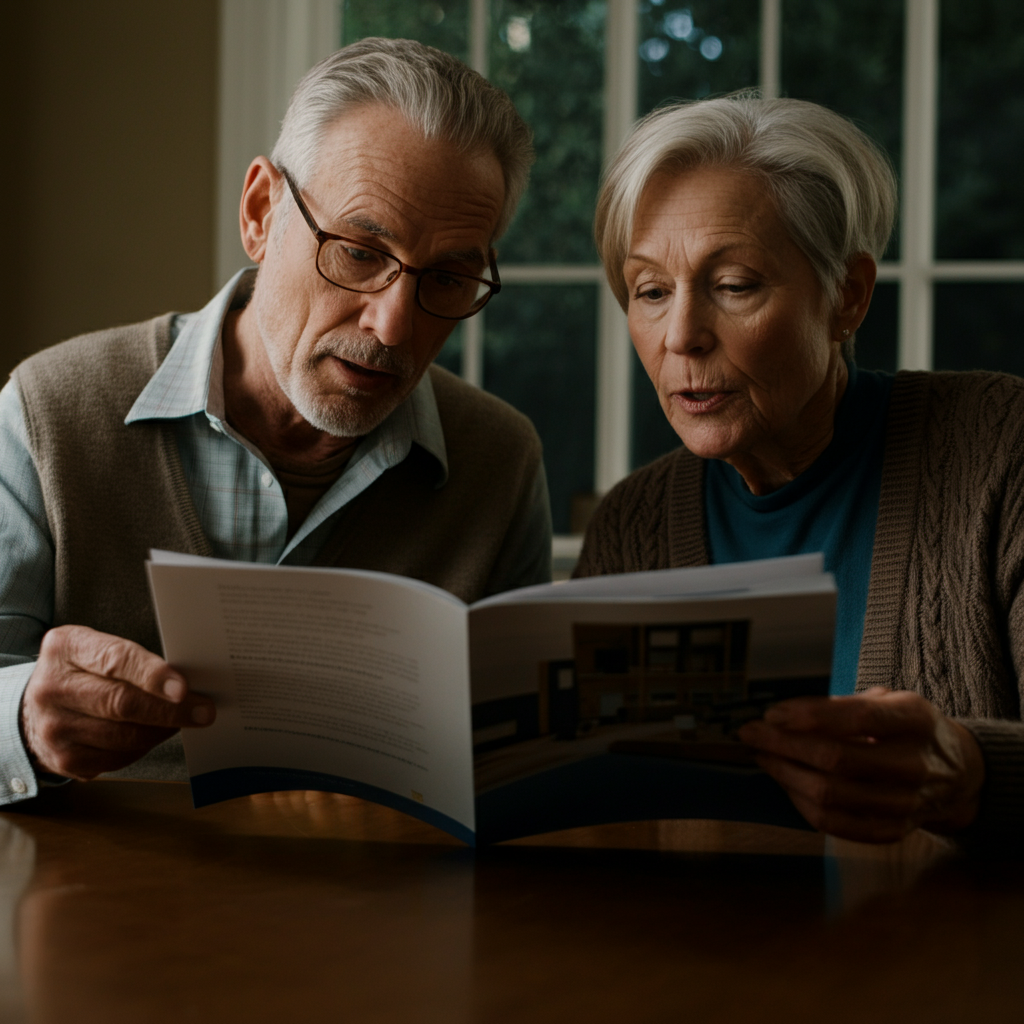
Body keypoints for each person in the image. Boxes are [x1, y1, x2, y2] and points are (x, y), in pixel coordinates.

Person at [0, 38, 551, 800]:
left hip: (385, 907)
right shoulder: (50, 410)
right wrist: (24, 715)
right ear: (262, 213)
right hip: (97, 905)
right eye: (360, 251)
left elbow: (521, 767)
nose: (394, 326)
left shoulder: (501, 459)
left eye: (450, 278)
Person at [577, 94, 1023, 848]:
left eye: (734, 285)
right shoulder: (632, 526)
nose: (681, 336)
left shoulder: (1002, 448)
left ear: (846, 295)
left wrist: (975, 771)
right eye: (650, 292)